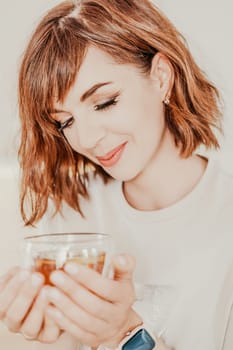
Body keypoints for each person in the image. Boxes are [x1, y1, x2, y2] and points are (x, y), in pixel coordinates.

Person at [0, 0, 232, 349]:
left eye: (105, 101)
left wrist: (124, 335)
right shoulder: (71, 214)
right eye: (65, 121)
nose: (86, 139)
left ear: (161, 77)